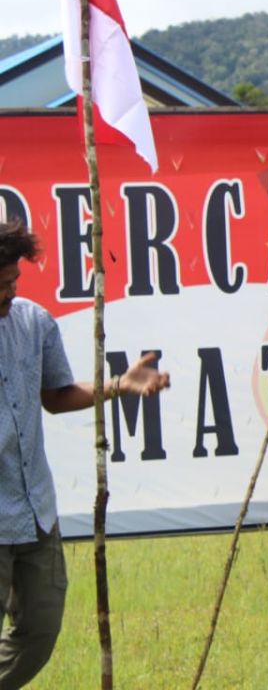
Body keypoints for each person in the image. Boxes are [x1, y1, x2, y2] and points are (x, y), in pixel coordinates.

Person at [0, 220, 170, 688]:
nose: (10, 293)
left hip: (34, 509)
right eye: (1, 286)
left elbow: (55, 396)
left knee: (40, 630)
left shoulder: (34, 322)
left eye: (13, 281)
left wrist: (119, 385)